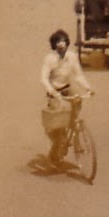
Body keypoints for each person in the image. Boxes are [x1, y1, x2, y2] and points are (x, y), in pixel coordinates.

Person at [41, 29, 92, 165]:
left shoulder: (72, 56)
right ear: (54, 44)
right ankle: (56, 148)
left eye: (63, 41)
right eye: (58, 42)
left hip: (67, 88)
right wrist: (53, 92)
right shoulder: (50, 59)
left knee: (77, 102)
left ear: (67, 42)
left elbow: (78, 75)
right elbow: (44, 78)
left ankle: (74, 129)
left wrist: (88, 88)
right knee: (59, 124)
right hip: (55, 92)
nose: (61, 44)